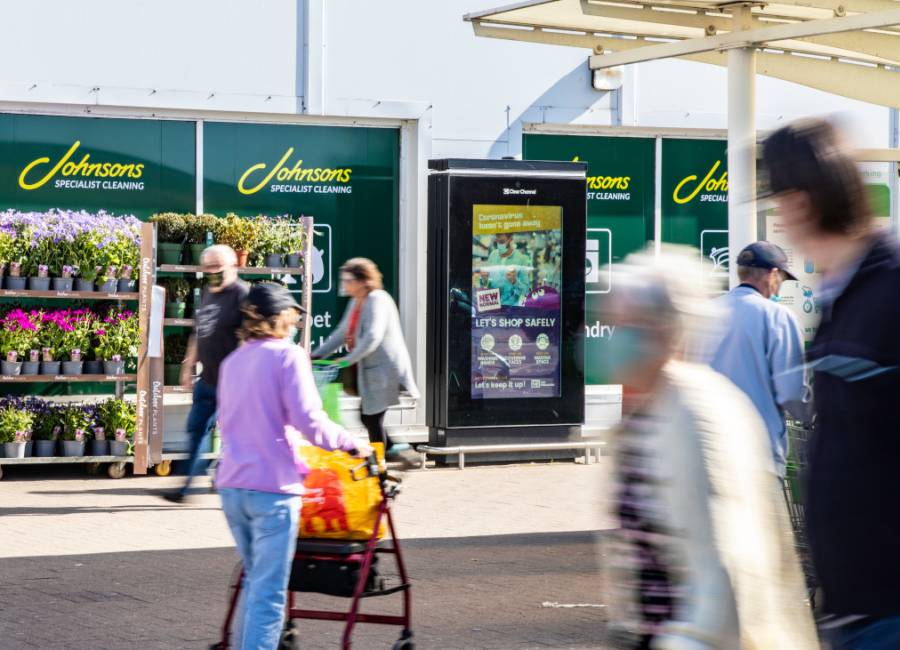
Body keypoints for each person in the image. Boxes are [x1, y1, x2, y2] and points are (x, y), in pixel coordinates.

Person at [599, 247, 817, 650]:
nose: (614, 337)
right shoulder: (647, 413)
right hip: (762, 452)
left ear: (665, 331)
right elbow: (792, 393)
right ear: (771, 275)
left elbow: (723, 569)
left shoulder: (694, 413)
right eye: (615, 323)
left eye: (628, 325)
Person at [762, 118, 900, 648]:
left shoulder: (889, 292)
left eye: (778, 201)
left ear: (802, 201)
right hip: (853, 609)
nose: (779, 218)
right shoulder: (843, 298)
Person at [216, 282, 371, 649]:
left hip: (233, 486)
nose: (295, 322)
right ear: (280, 317)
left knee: (255, 582)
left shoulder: (232, 362)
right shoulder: (288, 356)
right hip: (272, 490)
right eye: (291, 314)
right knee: (268, 593)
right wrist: (352, 444)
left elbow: (231, 421)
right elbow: (310, 422)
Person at [709, 241, 810, 479]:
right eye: (782, 280)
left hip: (711, 453)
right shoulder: (777, 317)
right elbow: (791, 392)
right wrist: (809, 415)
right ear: (772, 274)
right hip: (757, 455)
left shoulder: (707, 312)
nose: (779, 288)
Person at [312, 258, 420, 465]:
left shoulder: (378, 299)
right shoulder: (357, 301)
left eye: (348, 280)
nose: (344, 284)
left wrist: (347, 360)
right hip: (370, 369)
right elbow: (341, 333)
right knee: (369, 416)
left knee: (371, 417)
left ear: (363, 280)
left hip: (385, 368)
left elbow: (373, 336)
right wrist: (317, 354)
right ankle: (396, 453)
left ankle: (382, 461)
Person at [166, 245, 248, 503]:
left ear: (233, 266)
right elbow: (199, 330)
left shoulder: (242, 295)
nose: (212, 272)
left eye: (217, 267)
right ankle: (186, 487)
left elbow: (251, 338)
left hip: (234, 383)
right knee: (196, 429)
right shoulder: (207, 293)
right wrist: (188, 364)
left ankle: (224, 480)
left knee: (232, 436)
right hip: (208, 380)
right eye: (207, 267)